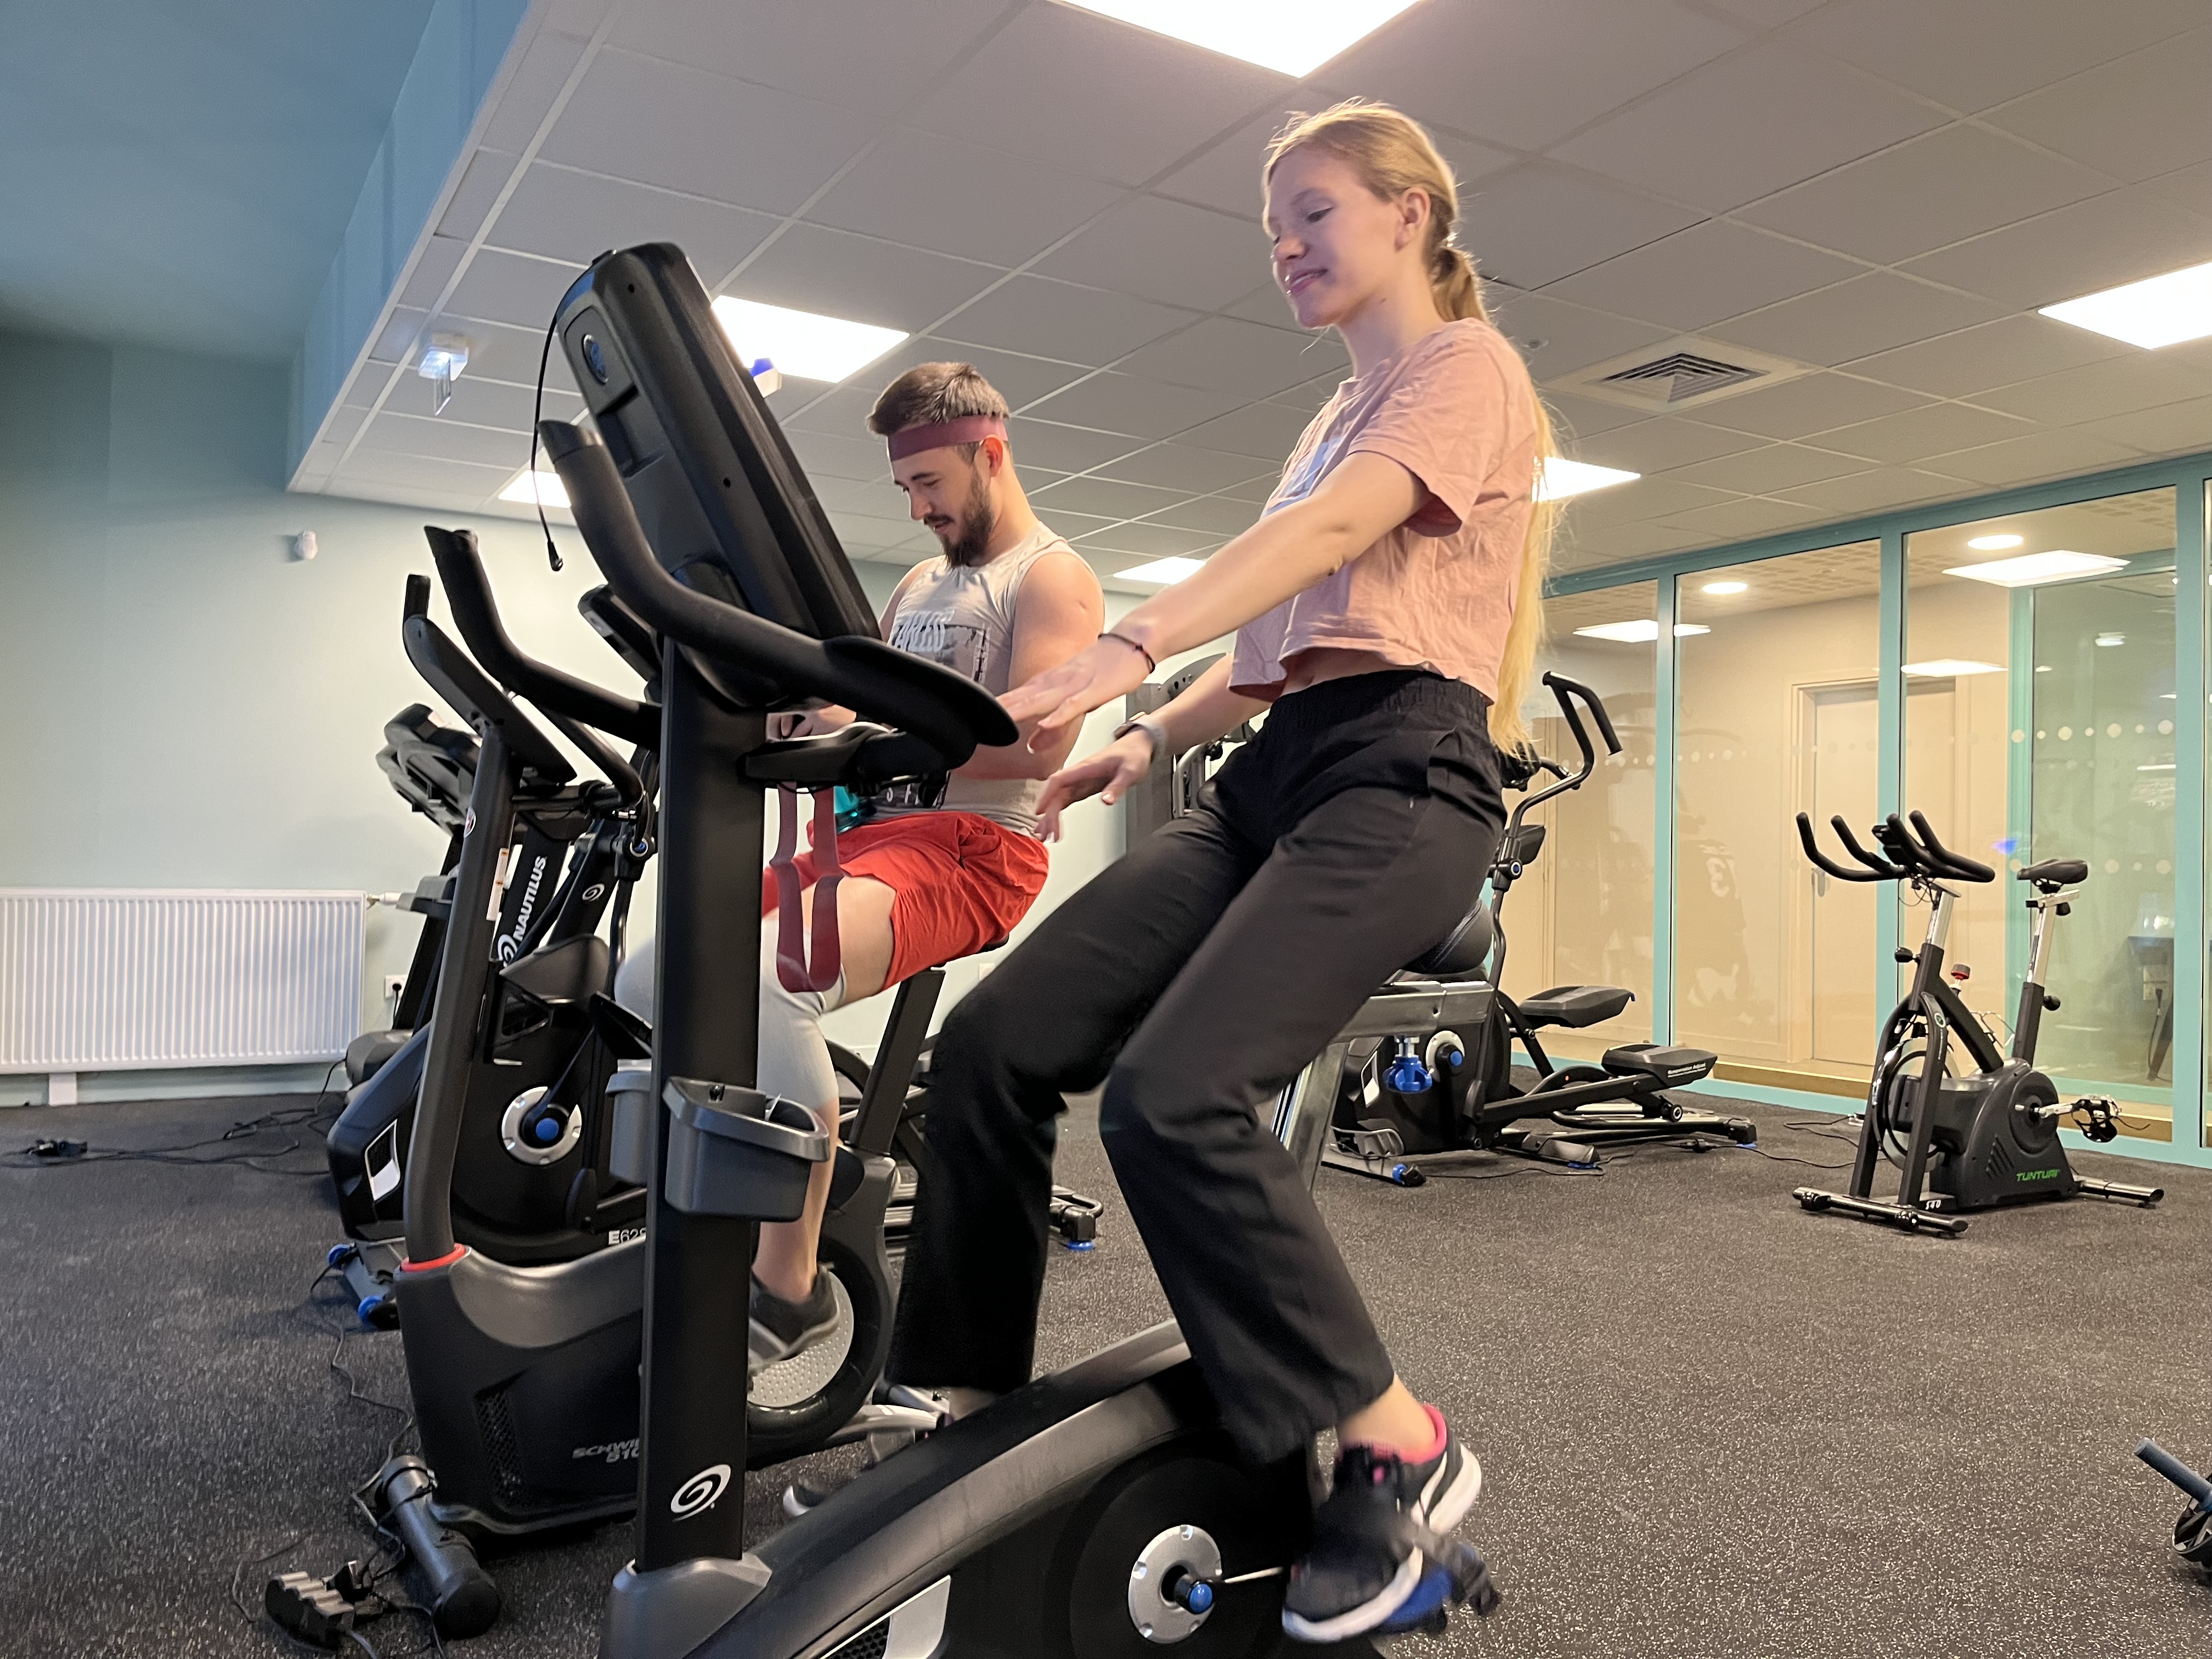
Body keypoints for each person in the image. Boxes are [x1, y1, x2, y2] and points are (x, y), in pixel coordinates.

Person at [882, 100, 1558, 1642]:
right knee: (994, 1045)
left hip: (1406, 774)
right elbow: (1273, 649)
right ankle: (966, 1408)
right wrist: (1146, 738)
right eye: (1273, 228)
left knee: (1173, 1098)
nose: (1286, 246)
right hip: (1276, 774)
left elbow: (1334, 536)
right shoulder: (1328, 416)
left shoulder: (1465, 370)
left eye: (1313, 212)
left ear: (1409, 212)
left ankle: (1399, 1440)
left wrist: (1126, 646)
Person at [617, 360, 1103, 1372]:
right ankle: (720, 1203)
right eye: (905, 488)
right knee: (648, 976)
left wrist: (878, 737)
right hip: (870, 834)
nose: (918, 508)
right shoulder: (920, 585)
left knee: (773, 985)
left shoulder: (1051, 577)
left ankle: (790, 1287)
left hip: (976, 847)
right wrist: (809, 715)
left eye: (930, 483)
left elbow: (1037, 746)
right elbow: (861, 702)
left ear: (989, 455)